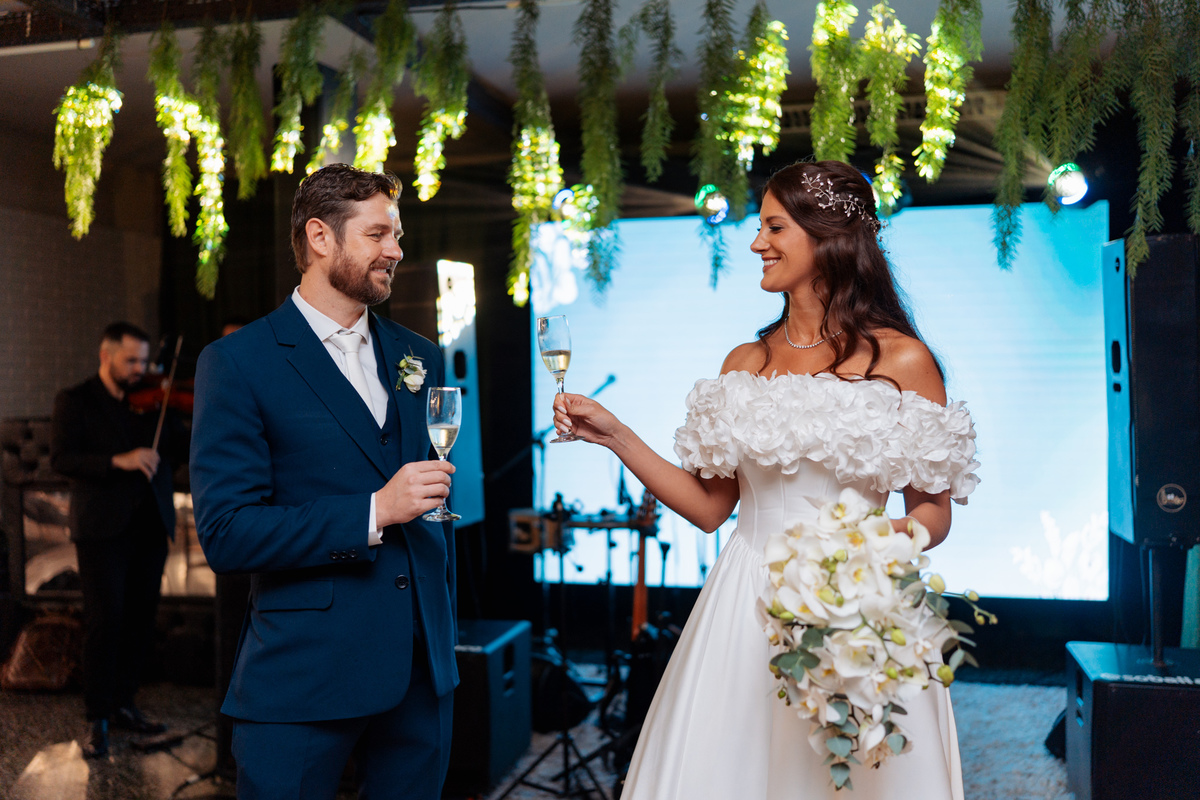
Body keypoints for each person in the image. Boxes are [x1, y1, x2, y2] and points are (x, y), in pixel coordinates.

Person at [553, 161, 979, 800]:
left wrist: (871, 548)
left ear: (828, 236)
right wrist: (615, 435)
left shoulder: (903, 359)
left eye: (775, 226)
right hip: (744, 604)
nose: (757, 243)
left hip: (858, 601)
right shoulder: (744, 364)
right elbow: (706, 507)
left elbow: (934, 516)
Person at [189, 163, 458, 800]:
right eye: (378, 235)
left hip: (422, 670)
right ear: (319, 237)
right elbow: (227, 534)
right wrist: (373, 511)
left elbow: (437, 496)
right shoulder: (238, 363)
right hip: (304, 676)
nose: (396, 250)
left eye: (397, 236)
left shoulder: (419, 355)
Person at [50, 322, 178, 759]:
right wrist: (117, 460)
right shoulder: (76, 401)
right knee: (106, 621)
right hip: (102, 530)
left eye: (144, 361)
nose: (140, 370)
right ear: (106, 356)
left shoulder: (152, 401)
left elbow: (175, 446)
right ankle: (97, 718)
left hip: (149, 527)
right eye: (131, 361)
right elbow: (62, 458)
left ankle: (125, 704)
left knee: (142, 620)